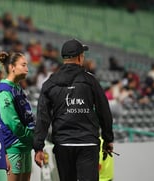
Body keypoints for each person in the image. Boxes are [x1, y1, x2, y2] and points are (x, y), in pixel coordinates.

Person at [33, 39, 114, 181]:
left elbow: (42, 117)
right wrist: (108, 139)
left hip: (63, 144)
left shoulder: (50, 83)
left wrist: (38, 147)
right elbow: (104, 111)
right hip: (87, 143)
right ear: (79, 57)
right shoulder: (90, 80)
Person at [0, 51, 35, 181]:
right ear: (12, 67)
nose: (27, 69)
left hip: (25, 145)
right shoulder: (4, 90)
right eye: (23, 65)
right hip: (14, 145)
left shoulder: (17, 88)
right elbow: (12, 122)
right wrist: (30, 136)